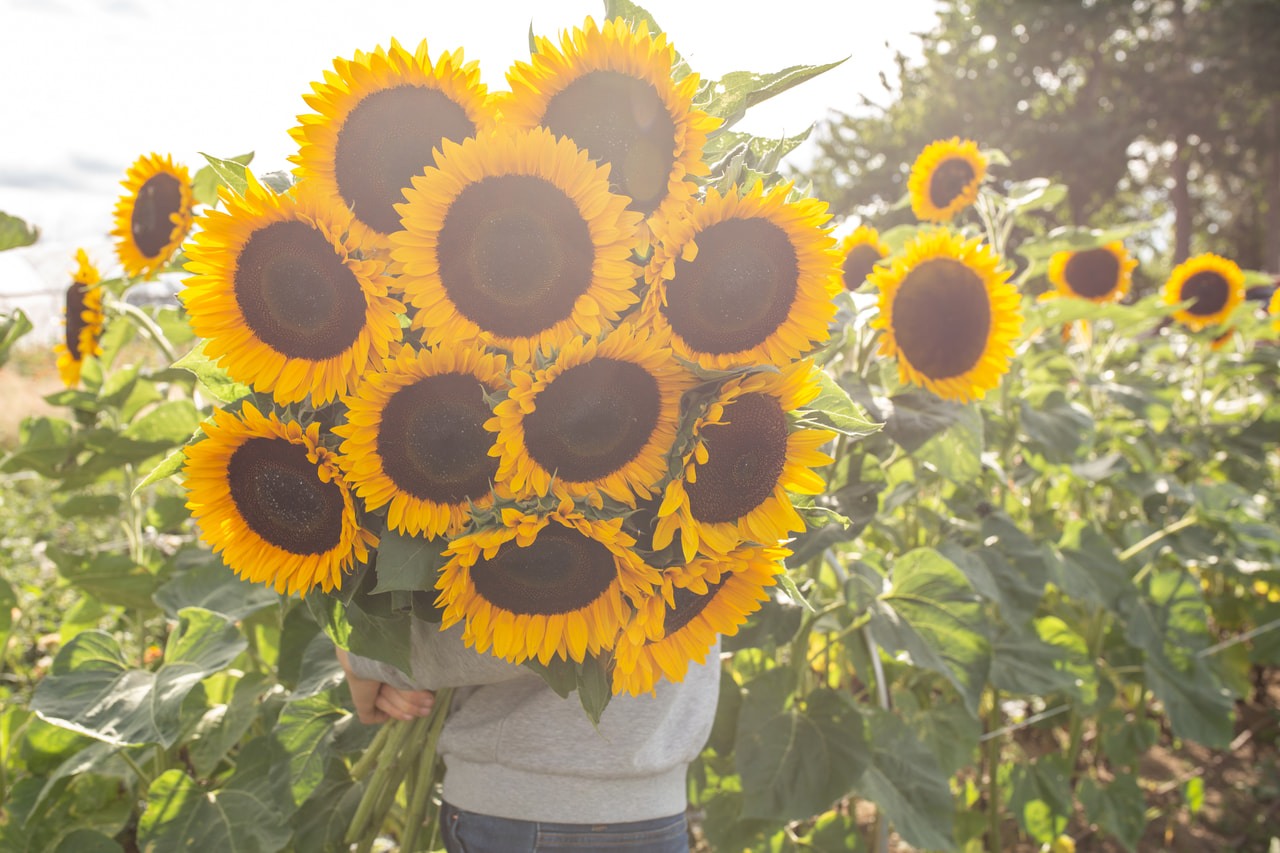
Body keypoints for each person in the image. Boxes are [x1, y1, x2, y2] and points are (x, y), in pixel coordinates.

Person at [336, 618, 720, 853]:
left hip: (526, 812)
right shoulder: (743, 491)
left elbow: (535, 618)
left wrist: (365, 658)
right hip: (651, 808)